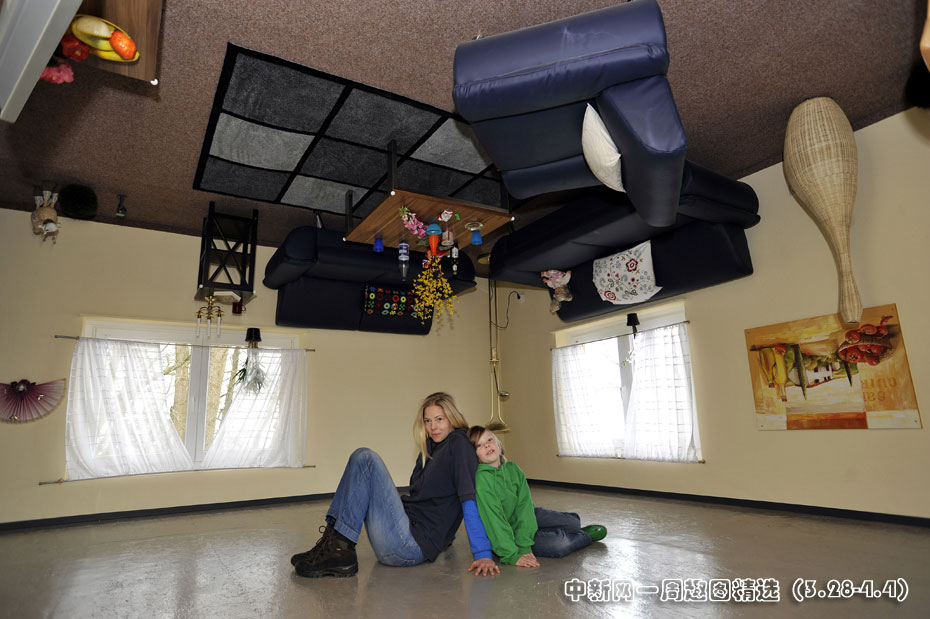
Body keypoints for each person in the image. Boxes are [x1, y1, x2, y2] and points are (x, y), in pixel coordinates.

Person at [290, 393, 500, 578]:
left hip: (409, 546)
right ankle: (333, 545)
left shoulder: (459, 444)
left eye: (439, 419)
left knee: (365, 458)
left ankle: (339, 550)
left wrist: (482, 553)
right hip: (404, 533)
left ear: (452, 418)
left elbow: (468, 499)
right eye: (427, 421)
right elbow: (440, 498)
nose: (433, 427)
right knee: (361, 459)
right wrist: (447, 536)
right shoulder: (431, 447)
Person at [467, 425, 607, 567]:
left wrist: (525, 539)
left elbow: (524, 506)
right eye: (479, 445)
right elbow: (495, 521)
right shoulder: (482, 479)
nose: (487, 445)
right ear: (474, 455)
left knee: (573, 523)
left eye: (489, 439)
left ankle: (564, 530)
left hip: (530, 515)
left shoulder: (513, 469)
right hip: (509, 534)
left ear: (498, 443)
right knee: (559, 544)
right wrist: (514, 553)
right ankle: (585, 536)